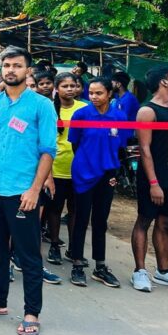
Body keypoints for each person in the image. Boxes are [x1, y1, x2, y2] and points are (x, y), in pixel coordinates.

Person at [0, 47, 57, 335]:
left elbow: (48, 150)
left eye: (17, 65)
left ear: (27, 71)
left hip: (23, 193)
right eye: (6, 65)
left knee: (28, 254)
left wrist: (34, 190)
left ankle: (32, 312)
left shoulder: (41, 105)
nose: (10, 70)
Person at [130, 66, 168, 293]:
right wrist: (154, 183)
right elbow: (144, 150)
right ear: (164, 82)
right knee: (144, 220)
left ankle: (163, 271)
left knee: (165, 224)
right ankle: (139, 271)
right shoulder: (147, 111)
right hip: (153, 178)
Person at [67, 77, 125, 288]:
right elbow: (75, 144)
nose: (94, 97)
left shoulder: (119, 116)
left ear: (109, 93)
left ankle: (100, 266)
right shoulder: (81, 114)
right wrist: (87, 162)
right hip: (83, 173)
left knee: (101, 220)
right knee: (81, 218)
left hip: (107, 174)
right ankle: (77, 264)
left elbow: (121, 147)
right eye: (91, 93)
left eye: (98, 93)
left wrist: (113, 172)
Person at [46, 72, 87, 266]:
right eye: (65, 86)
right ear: (57, 88)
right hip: (55, 167)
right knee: (54, 209)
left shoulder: (84, 108)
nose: (70, 89)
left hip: (79, 168)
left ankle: (74, 248)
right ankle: (54, 245)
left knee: (75, 211)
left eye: (73, 85)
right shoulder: (49, 108)